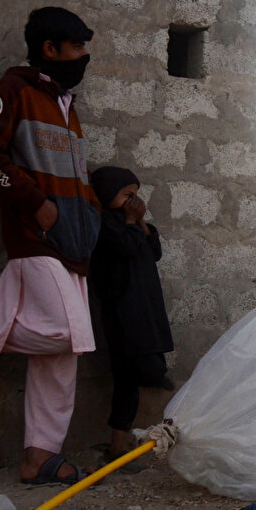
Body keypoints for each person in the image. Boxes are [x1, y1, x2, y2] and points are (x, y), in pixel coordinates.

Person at [0, 6, 101, 485]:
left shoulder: (66, 104)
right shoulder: (13, 90)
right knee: (66, 332)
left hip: (73, 242)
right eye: (78, 47)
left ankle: (40, 455)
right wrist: (36, 203)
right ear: (50, 49)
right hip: (35, 238)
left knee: (62, 355)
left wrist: (90, 216)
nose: (84, 56)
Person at [89, 166, 175, 464]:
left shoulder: (131, 223)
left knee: (131, 379)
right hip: (121, 310)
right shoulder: (101, 224)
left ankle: (117, 448)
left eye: (135, 196)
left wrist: (139, 222)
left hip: (143, 306)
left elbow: (153, 252)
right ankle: (117, 447)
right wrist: (129, 221)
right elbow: (123, 249)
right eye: (126, 195)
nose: (132, 201)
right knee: (131, 375)